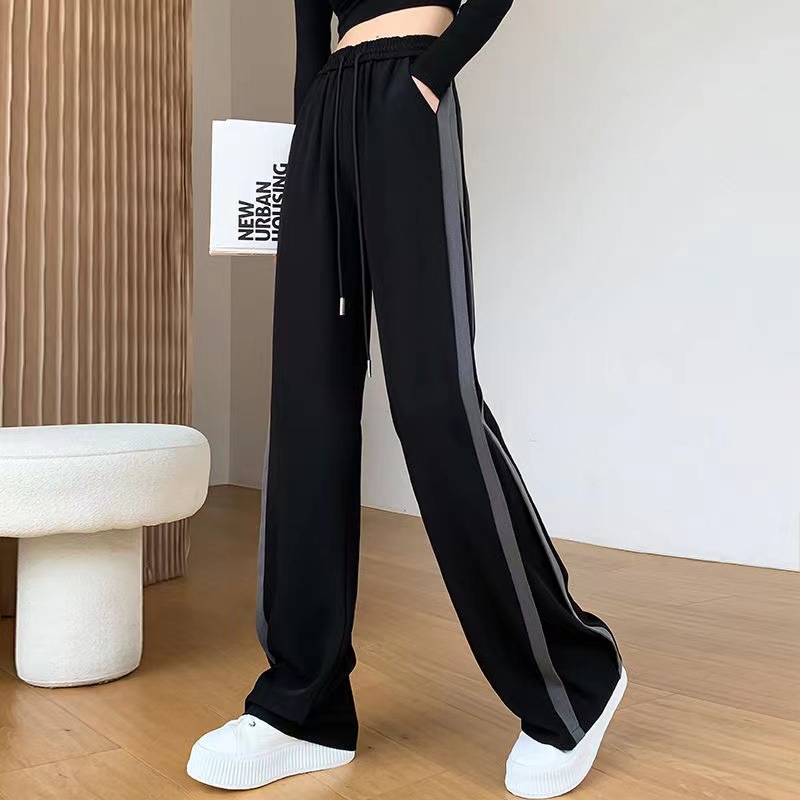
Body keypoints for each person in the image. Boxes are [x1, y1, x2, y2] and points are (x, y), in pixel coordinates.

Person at [188, 2, 627, 797]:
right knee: (306, 407)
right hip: (324, 115)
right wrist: (303, 163)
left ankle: (574, 678)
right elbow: (307, 40)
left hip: (407, 88)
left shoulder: (419, 83)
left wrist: (432, 74)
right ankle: (305, 708)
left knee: (432, 401)